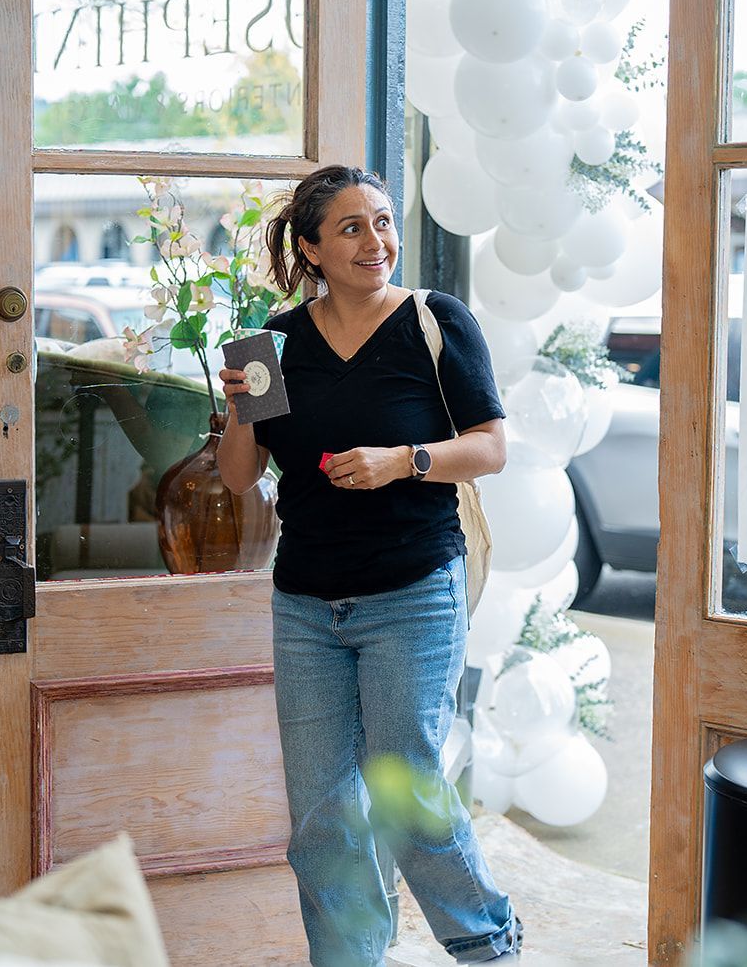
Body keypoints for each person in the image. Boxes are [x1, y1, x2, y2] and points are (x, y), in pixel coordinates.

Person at [216, 165, 521, 965]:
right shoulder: (271, 344)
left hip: (413, 591)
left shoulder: (433, 320)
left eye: (383, 222)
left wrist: (404, 460)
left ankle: (485, 942)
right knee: (320, 815)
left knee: (407, 784)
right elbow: (239, 476)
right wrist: (239, 407)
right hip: (308, 602)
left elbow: (490, 447)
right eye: (350, 227)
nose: (375, 240)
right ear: (311, 246)